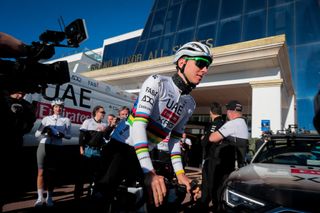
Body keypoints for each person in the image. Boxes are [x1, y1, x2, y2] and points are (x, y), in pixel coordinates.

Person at [95, 41, 213, 210]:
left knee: (146, 201)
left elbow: (174, 141)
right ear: (182, 62)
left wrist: (181, 174)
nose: (205, 70)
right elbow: (138, 125)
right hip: (120, 148)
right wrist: (149, 173)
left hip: (142, 153)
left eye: (207, 65)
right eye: (201, 63)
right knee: (102, 199)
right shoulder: (157, 82)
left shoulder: (190, 103)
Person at [208, 100, 249, 209]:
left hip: (227, 167)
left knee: (218, 189)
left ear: (231, 111)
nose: (226, 113)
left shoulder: (233, 123)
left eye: (227, 110)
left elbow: (212, 138)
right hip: (235, 166)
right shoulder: (242, 123)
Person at [34, 98, 71, 207]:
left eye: (60, 107)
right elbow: (37, 134)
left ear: (62, 108)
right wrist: (45, 131)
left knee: (51, 174)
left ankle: (49, 197)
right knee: (40, 172)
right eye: (56, 106)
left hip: (56, 147)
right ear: (53, 108)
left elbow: (69, 136)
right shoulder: (46, 119)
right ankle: (40, 198)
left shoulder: (66, 120)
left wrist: (60, 134)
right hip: (43, 146)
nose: (58, 108)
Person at [74, 105, 107, 199]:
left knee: (95, 173)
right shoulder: (88, 122)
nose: (103, 114)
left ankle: (92, 192)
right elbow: (81, 135)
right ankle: (78, 194)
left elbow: (105, 139)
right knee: (82, 173)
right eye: (102, 112)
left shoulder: (104, 125)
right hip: (87, 150)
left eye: (104, 112)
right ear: (96, 112)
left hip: (97, 151)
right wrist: (81, 148)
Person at [199, 102, 225, 211]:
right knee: (219, 185)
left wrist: (203, 138)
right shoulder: (225, 123)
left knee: (208, 185)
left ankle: (205, 205)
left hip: (212, 160)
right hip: (222, 160)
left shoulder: (214, 124)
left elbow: (205, 142)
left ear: (211, 113)